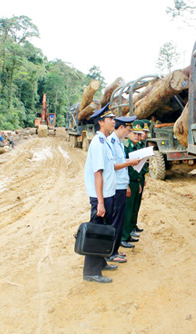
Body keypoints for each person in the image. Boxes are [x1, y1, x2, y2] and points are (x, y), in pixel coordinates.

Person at [82, 104, 118, 283]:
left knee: (104, 230)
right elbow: (98, 174)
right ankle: (91, 271)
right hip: (100, 197)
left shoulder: (105, 142)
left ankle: (101, 262)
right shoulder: (98, 144)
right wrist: (101, 203)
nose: (114, 121)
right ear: (101, 122)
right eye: (110, 119)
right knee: (97, 232)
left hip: (107, 194)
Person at [108, 115, 141, 262]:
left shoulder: (119, 142)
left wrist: (129, 161)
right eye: (128, 130)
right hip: (116, 186)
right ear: (121, 127)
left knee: (119, 220)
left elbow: (120, 161)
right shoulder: (112, 142)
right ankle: (111, 252)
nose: (128, 133)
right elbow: (113, 166)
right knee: (114, 221)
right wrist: (129, 163)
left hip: (121, 185)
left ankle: (115, 250)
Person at [120, 120, 145, 248]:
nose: (137, 136)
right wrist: (127, 185)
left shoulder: (136, 146)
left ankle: (128, 234)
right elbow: (124, 168)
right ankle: (123, 237)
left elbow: (138, 169)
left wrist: (139, 182)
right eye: (134, 133)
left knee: (133, 209)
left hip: (135, 181)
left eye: (138, 134)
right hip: (128, 183)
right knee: (127, 211)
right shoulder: (125, 146)